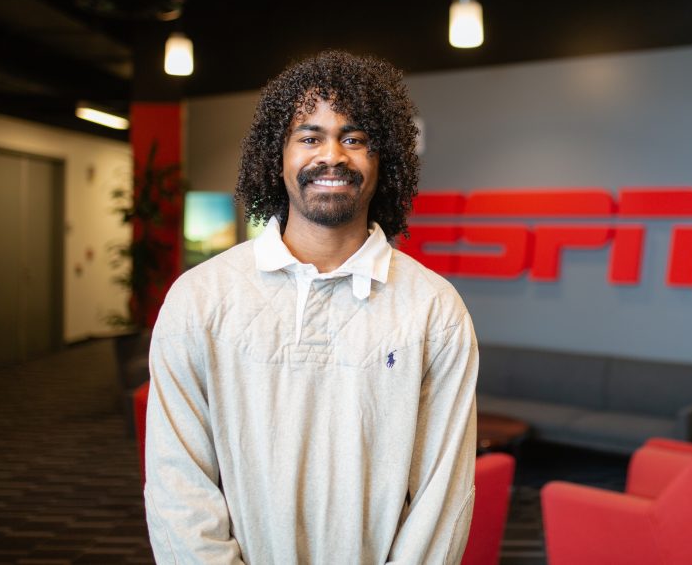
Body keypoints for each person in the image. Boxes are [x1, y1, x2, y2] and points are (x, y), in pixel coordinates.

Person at [143, 50, 479, 564]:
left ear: (382, 159)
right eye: (309, 137)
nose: (333, 156)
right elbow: (177, 482)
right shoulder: (199, 298)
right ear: (275, 158)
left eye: (354, 138)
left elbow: (443, 499)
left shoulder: (435, 310)